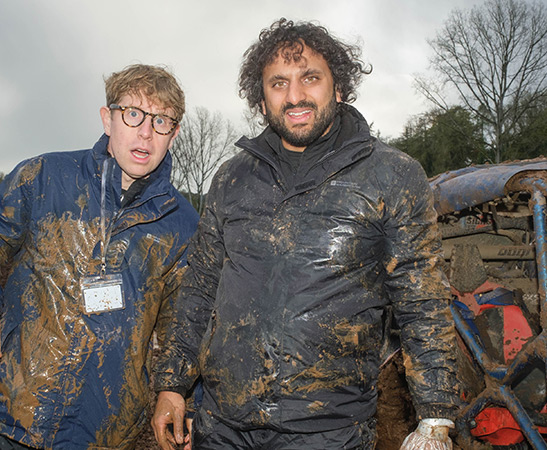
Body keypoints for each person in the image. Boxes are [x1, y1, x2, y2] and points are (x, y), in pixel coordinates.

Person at [151, 19, 460, 450]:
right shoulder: (231, 179)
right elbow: (201, 290)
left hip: (329, 431)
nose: (294, 96)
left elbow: (422, 302)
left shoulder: (392, 176)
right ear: (261, 100)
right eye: (278, 83)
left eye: (310, 78)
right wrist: (172, 384)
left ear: (338, 88)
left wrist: (435, 414)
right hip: (221, 425)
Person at [0, 64, 198, 449]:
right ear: (107, 119)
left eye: (161, 120)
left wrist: (174, 390)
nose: (146, 132)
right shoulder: (46, 176)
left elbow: (181, 324)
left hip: (106, 431)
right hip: (18, 416)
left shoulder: (181, 224)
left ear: (174, 132)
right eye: (133, 114)